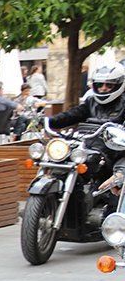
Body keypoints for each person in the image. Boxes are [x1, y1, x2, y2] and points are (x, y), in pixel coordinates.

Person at [51, 63, 125, 192]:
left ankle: (113, 206)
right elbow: (72, 114)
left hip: (115, 151)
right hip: (89, 147)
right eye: (99, 84)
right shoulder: (91, 101)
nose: (103, 88)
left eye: (109, 85)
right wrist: (49, 121)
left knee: (118, 180)